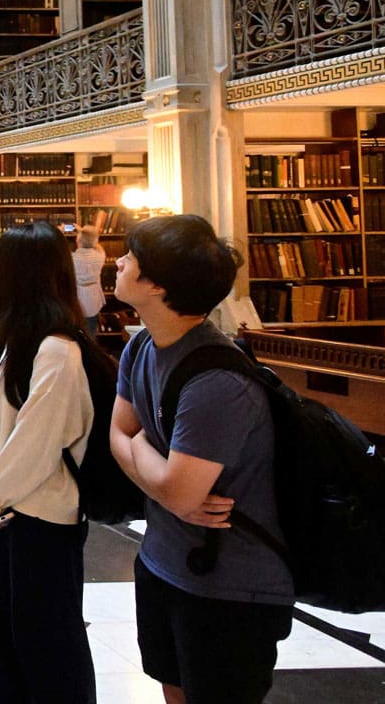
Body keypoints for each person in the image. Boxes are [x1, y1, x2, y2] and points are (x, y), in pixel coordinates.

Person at [109, 215, 289, 704]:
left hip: (230, 585)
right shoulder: (143, 345)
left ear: (157, 285)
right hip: (163, 560)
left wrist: (150, 460)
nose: (118, 261)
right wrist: (161, 475)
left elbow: (175, 487)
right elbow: (118, 437)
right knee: (173, 688)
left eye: (131, 257)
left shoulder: (216, 381)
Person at [0, 222, 98, 704]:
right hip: (2, 515)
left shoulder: (59, 350)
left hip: (42, 520)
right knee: (5, 640)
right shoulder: (4, 342)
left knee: (50, 649)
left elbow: (38, 443)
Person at [72, 225, 107, 339]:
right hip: (93, 299)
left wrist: (80, 233)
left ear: (78, 241)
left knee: (76, 334)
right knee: (91, 333)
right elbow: (97, 246)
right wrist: (87, 234)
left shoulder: (71, 258)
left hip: (77, 299)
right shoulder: (100, 256)